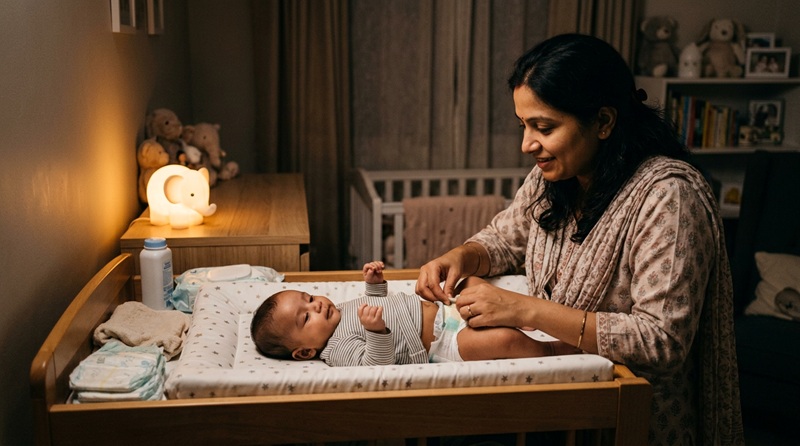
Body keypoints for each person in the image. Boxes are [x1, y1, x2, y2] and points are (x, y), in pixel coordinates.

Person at [415, 34, 743, 445]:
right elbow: (504, 239)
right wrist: (461, 256)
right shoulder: (554, 175)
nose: (527, 144)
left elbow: (661, 341)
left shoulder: (669, 197)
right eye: (524, 126)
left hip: (630, 416)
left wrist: (525, 310)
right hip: (563, 401)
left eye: (544, 127)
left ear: (604, 122)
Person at [250, 261, 566, 367]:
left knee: (470, 282)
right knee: (503, 341)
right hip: (444, 343)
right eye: (305, 317)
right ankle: (549, 349)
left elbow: (379, 306)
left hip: (447, 310)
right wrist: (375, 331)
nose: (316, 305)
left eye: (309, 297)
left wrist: (375, 285)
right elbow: (376, 365)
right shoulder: (336, 350)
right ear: (305, 351)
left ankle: (515, 312)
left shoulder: (338, 311)